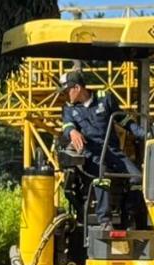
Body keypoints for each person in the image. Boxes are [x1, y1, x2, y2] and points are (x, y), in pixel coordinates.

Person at [59, 70, 145, 230]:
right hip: (91, 154)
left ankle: (129, 216)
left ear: (77, 88)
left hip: (112, 151)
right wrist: (72, 131)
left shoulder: (105, 99)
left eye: (66, 91)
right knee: (102, 174)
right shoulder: (69, 109)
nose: (65, 95)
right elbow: (67, 125)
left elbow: (124, 120)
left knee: (137, 178)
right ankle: (105, 220)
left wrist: (143, 134)